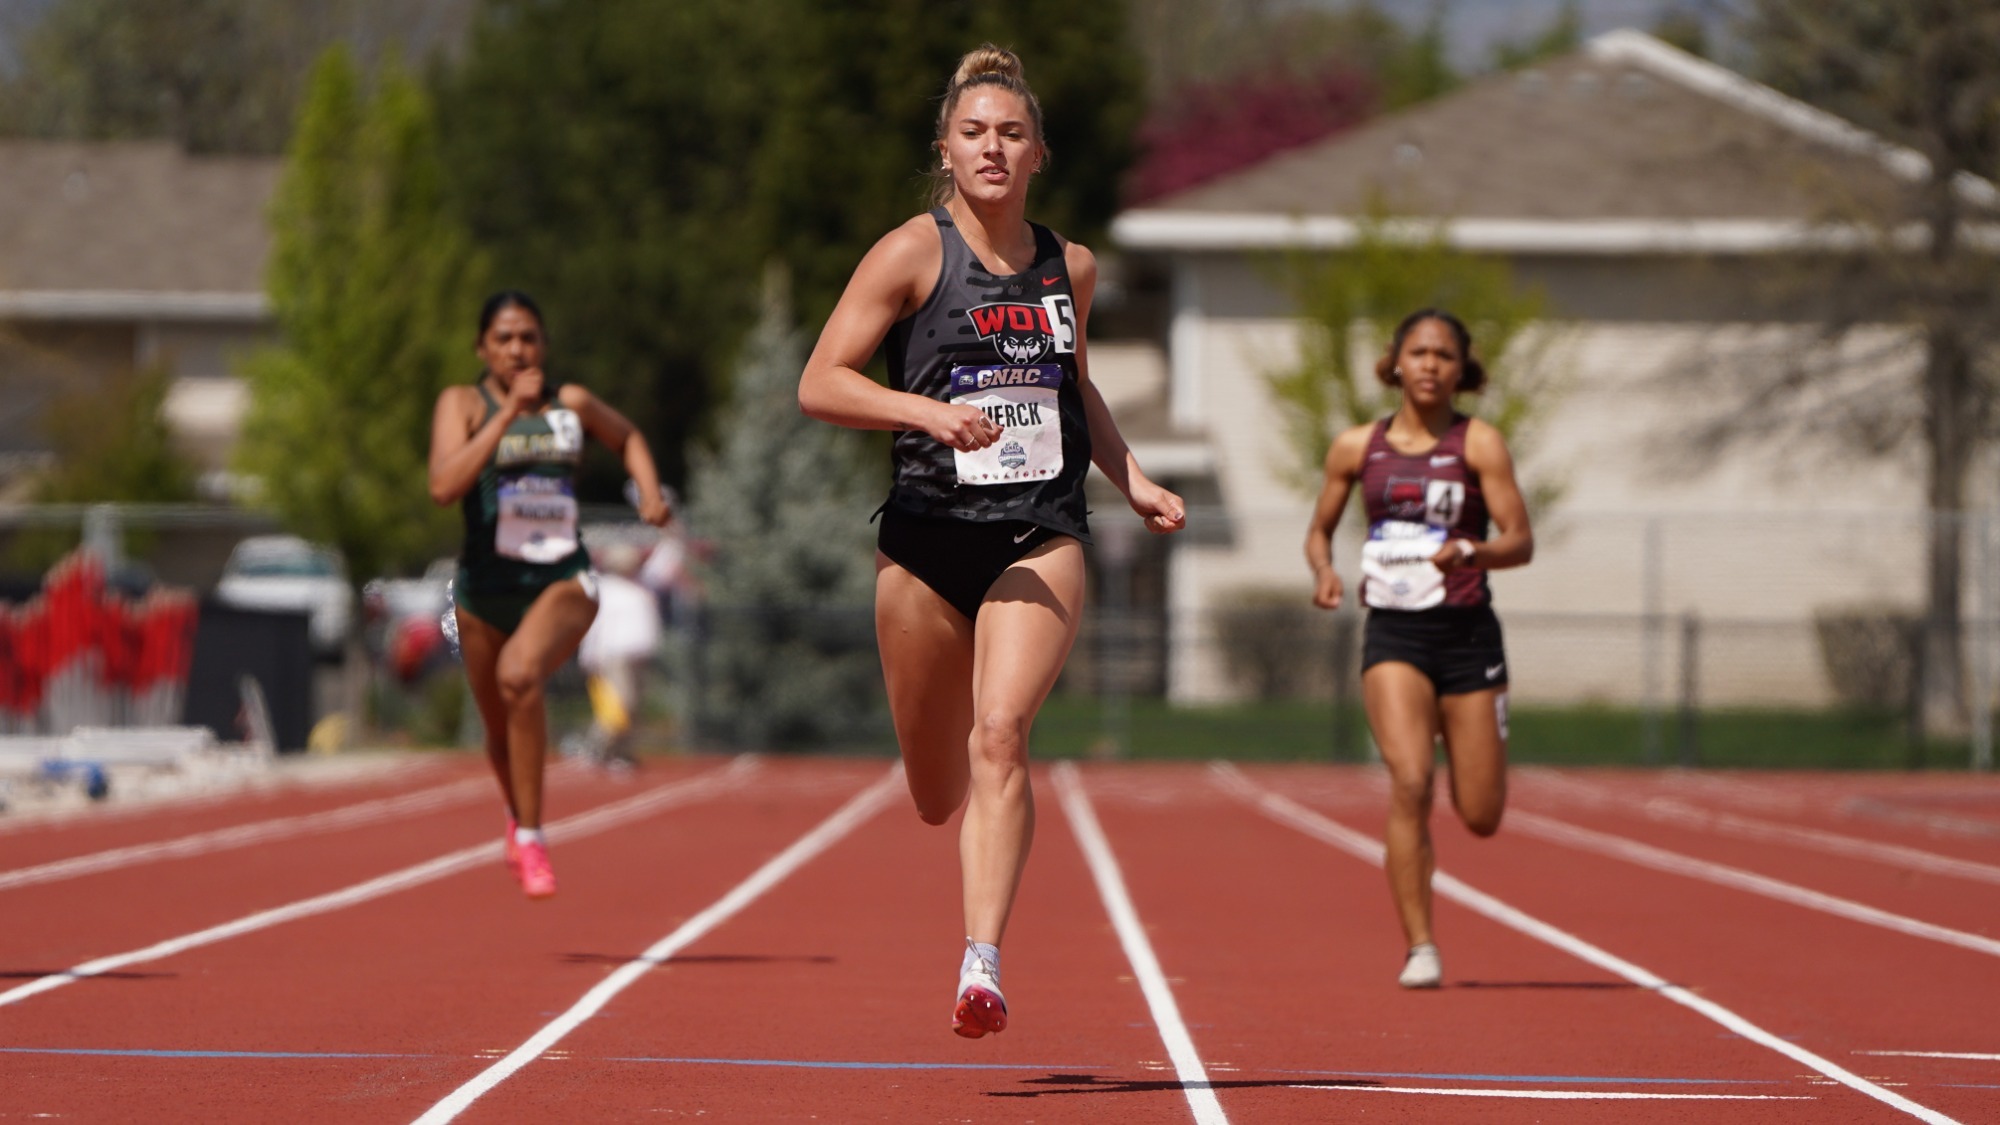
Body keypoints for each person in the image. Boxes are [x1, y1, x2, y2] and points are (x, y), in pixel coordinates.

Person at [798, 44, 1185, 1038]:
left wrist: (1129, 476)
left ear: (1038, 153)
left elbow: (1074, 385)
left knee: (1001, 737)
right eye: (974, 132)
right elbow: (821, 382)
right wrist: (925, 417)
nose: (992, 148)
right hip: (925, 545)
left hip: (1038, 534)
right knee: (935, 795)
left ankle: (981, 963)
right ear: (945, 149)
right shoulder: (909, 255)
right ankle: (957, 828)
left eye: (1010, 133)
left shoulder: (1072, 267)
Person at [1303, 308, 1534, 989]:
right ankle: (1421, 945)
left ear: (1463, 368)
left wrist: (1475, 549)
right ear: (1395, 362)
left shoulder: (1480, 444)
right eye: (1420, 351)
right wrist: (1323, 571)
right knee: (1409, 781)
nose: (1431, 364)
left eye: (1444, 354)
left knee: (1482, 814)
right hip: (1395, 634)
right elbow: (1319, 530)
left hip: (1467, 636)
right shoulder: (1355, 447)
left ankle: (1476, 745)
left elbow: (1520, 539)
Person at [428, 291, 672, 898]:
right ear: (482, 347)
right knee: (497, 724)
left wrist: (648, 492)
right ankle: (518, 819)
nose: (518, 349)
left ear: (544, 344)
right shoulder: (463, 403)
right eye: (505, 338)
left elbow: (629, 436)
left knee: (520, 677)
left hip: (562, 577)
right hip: (483, 588)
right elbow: (443, 484)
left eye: (529, 337)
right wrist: (507, 416)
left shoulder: (571, 402)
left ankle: (533, 837)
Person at [571, 540, 661, 772]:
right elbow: (594, 626)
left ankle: (622, 753)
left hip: (638, 658)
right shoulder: (606, 590)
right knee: (618, 706)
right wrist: (589, 655)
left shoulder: (642, 585)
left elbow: (670, 560)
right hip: (613, 657)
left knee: (634, 708)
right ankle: (596, 748)